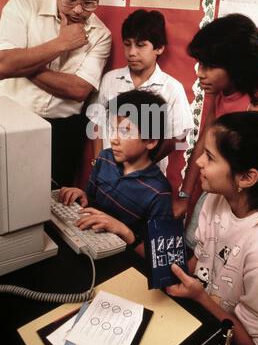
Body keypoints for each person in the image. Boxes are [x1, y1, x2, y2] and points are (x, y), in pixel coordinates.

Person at [167, 111, 258, 345]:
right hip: (195, 320)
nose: (198, 162)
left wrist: (201, 298)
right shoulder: (213, 199)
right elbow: (199, 262)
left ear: (247, 177)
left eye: (209, 157)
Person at [0, 0, 112, 186]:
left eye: (89, 1)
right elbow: (3, 65)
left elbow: (78, 90)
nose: (78, 10)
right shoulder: (22, 7)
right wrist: (61, 44)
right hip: (8, 122)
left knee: (50, 206)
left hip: (62, 133)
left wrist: (24, 61)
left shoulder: (101, 34)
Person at [173, 13, 258, 237]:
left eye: (209, 66)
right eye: (200, 64)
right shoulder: (221, 91)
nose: (200, 74)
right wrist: (185, 196)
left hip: (242, 212)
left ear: (237, 66)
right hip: (214, 190)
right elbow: (203, 141)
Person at [59, 89, 174, 256]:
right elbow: (91, 202)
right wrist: (82, 196)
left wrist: (123, 231)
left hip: (125, 262)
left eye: (125, 131)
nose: (113, 139)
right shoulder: (105, 158)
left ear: (151, 141)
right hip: (92, 245)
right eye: (113, 129)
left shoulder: (159, 192)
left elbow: (160, 257)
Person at [90, 8, 193, 175]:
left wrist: (143, 166)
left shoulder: (171, 88)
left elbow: (177, 136)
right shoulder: (110, 80)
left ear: (159, 48)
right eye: (127, 44)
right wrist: (98, 163)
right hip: (108, 172)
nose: (132, 52)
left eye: (140, 45)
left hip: (147, 178)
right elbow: (97, 124)